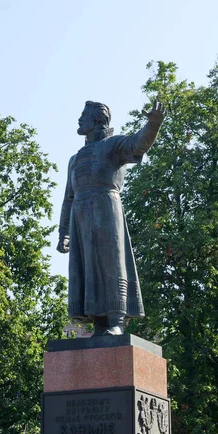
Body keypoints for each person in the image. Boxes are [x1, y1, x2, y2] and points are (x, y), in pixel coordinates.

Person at [57, 100, 165, 335]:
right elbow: (68, 198)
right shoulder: (74, 159)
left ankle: (117, 320)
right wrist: (63, 232)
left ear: (97, 120)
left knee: (111, 264)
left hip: (106, 207)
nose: (78, 120)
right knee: (85, 268)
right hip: (80, 216)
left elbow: (139, 143)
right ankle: (99, 324)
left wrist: (153, 124)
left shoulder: (114, 145)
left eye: (82, 116)